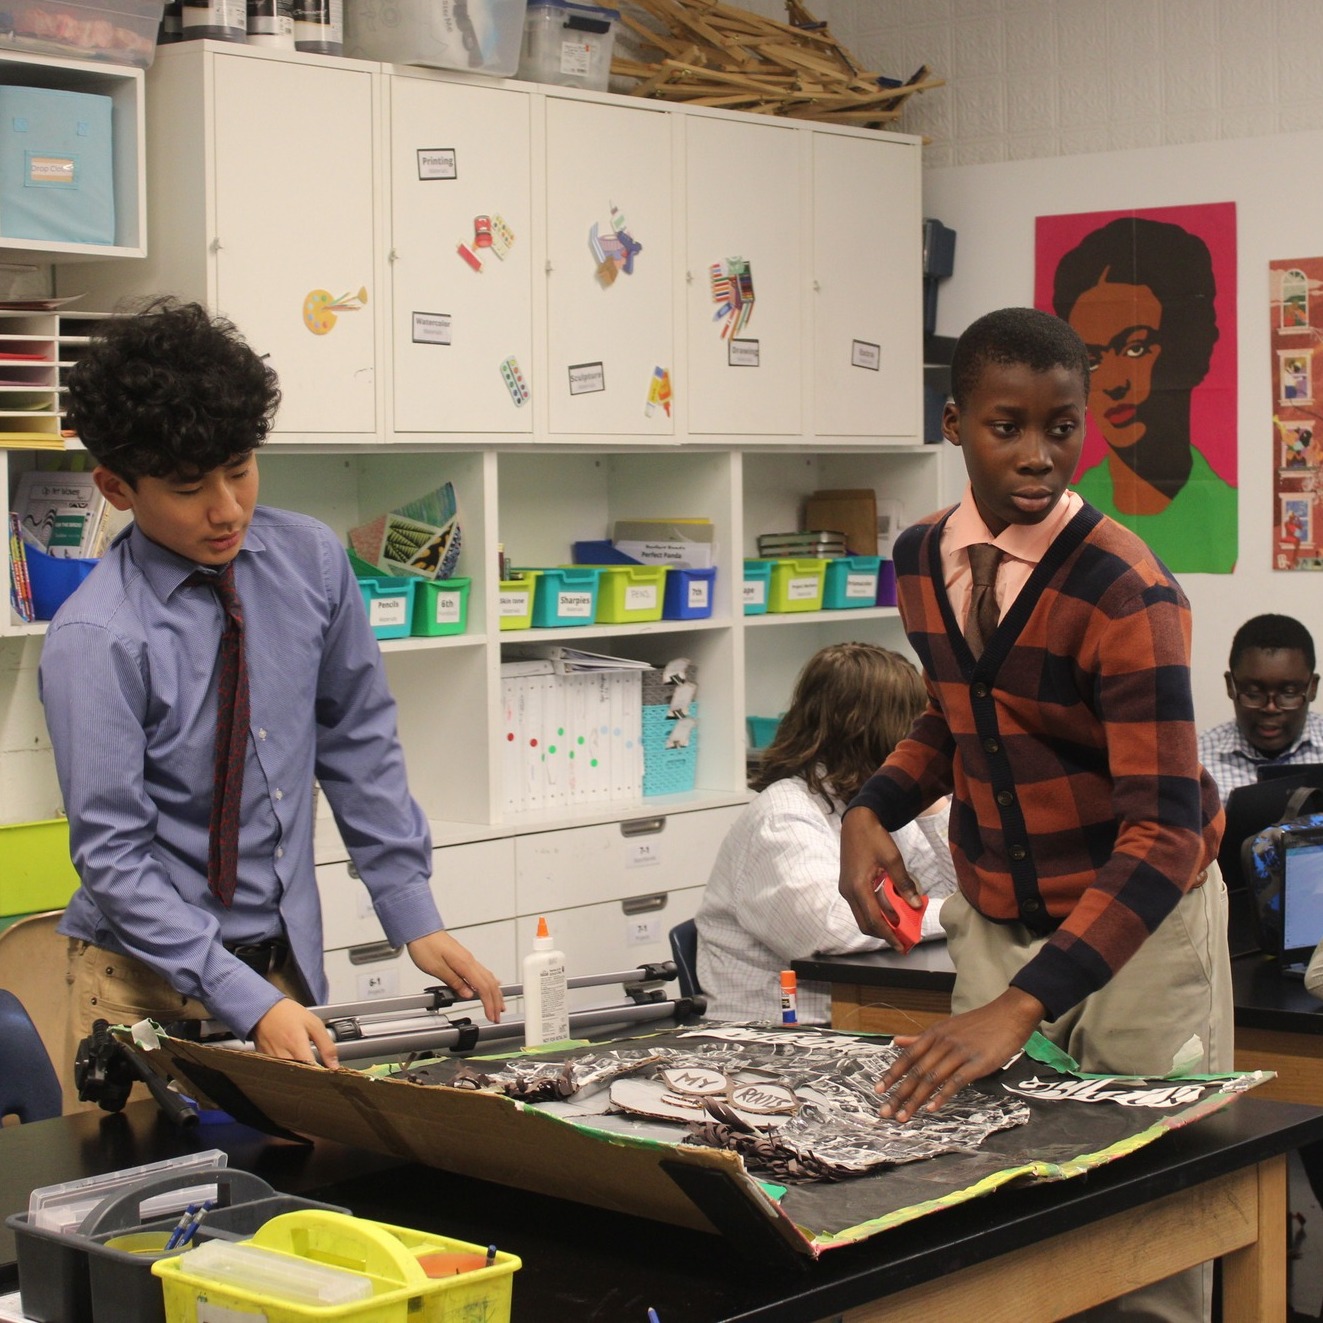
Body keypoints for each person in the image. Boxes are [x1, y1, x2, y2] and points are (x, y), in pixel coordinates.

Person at [839, 307, 1230, 1322]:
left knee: (1148, 1220)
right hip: (1003, 916)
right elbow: (960, 712)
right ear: (955, 421)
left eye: (1063, 427)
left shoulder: (1125, 589)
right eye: (1007, 426)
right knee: (989, 1192)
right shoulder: (924, 556)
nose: (1039, 455)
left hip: (1140, 930)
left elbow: (1166, 834)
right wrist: (871, 808)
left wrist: (1022, 1006)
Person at [39, 298, 504, 1087]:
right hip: (137, 980)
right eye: (189, 488)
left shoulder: (312, 562)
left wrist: (409, 906)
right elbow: (115, 857)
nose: (227, 509)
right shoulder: (97, 638)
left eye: (241, 468)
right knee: (153, 1196)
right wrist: (241, 997)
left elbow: (356, 741)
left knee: (299, 1192)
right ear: (116, 487)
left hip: (284, 965)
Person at [696, 643, 955, 1025]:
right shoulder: (783, 817)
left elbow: (962, 887)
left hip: (861, 1013)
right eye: (917, 729)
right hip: (772, 1038)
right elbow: (833, 928)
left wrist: (929, 801)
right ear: (881, 731)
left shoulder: (873, 808)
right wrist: (960, 916)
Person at [1052, 216, 1237, 574]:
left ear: (1192, 350)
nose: (1113, 383)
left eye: (1135, 348)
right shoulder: (1062, 518)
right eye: (1091, 360)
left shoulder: (1229, 511)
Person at [1197, 613, 1323, 798]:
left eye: (1288, 693)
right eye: (1253, 693)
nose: (1270, 708)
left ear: (1312, 688)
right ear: (1230, 685)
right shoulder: (1194, 761)